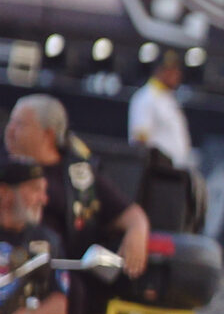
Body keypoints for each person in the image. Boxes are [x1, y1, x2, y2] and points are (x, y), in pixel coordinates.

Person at [6, 96, 148, 284]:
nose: (10, 131)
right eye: (11, 122)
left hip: (60, 275)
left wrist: (137, 233)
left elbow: (129, 213)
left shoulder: (81, 175)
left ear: (47, 134)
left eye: (20, 125)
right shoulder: (4, 166)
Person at [0, 156, 70, 314]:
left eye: (44, 190)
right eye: (34, 190)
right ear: (4, 193)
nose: (43, 199)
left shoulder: (44, 242)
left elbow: (60, 306)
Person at [127, 50, 194, 170]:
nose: (177, 75)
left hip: (175, 171)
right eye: (172, 70)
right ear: (160, 71)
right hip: (155, 171)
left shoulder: (168, 98)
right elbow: (140, 142)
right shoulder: (145, 98)